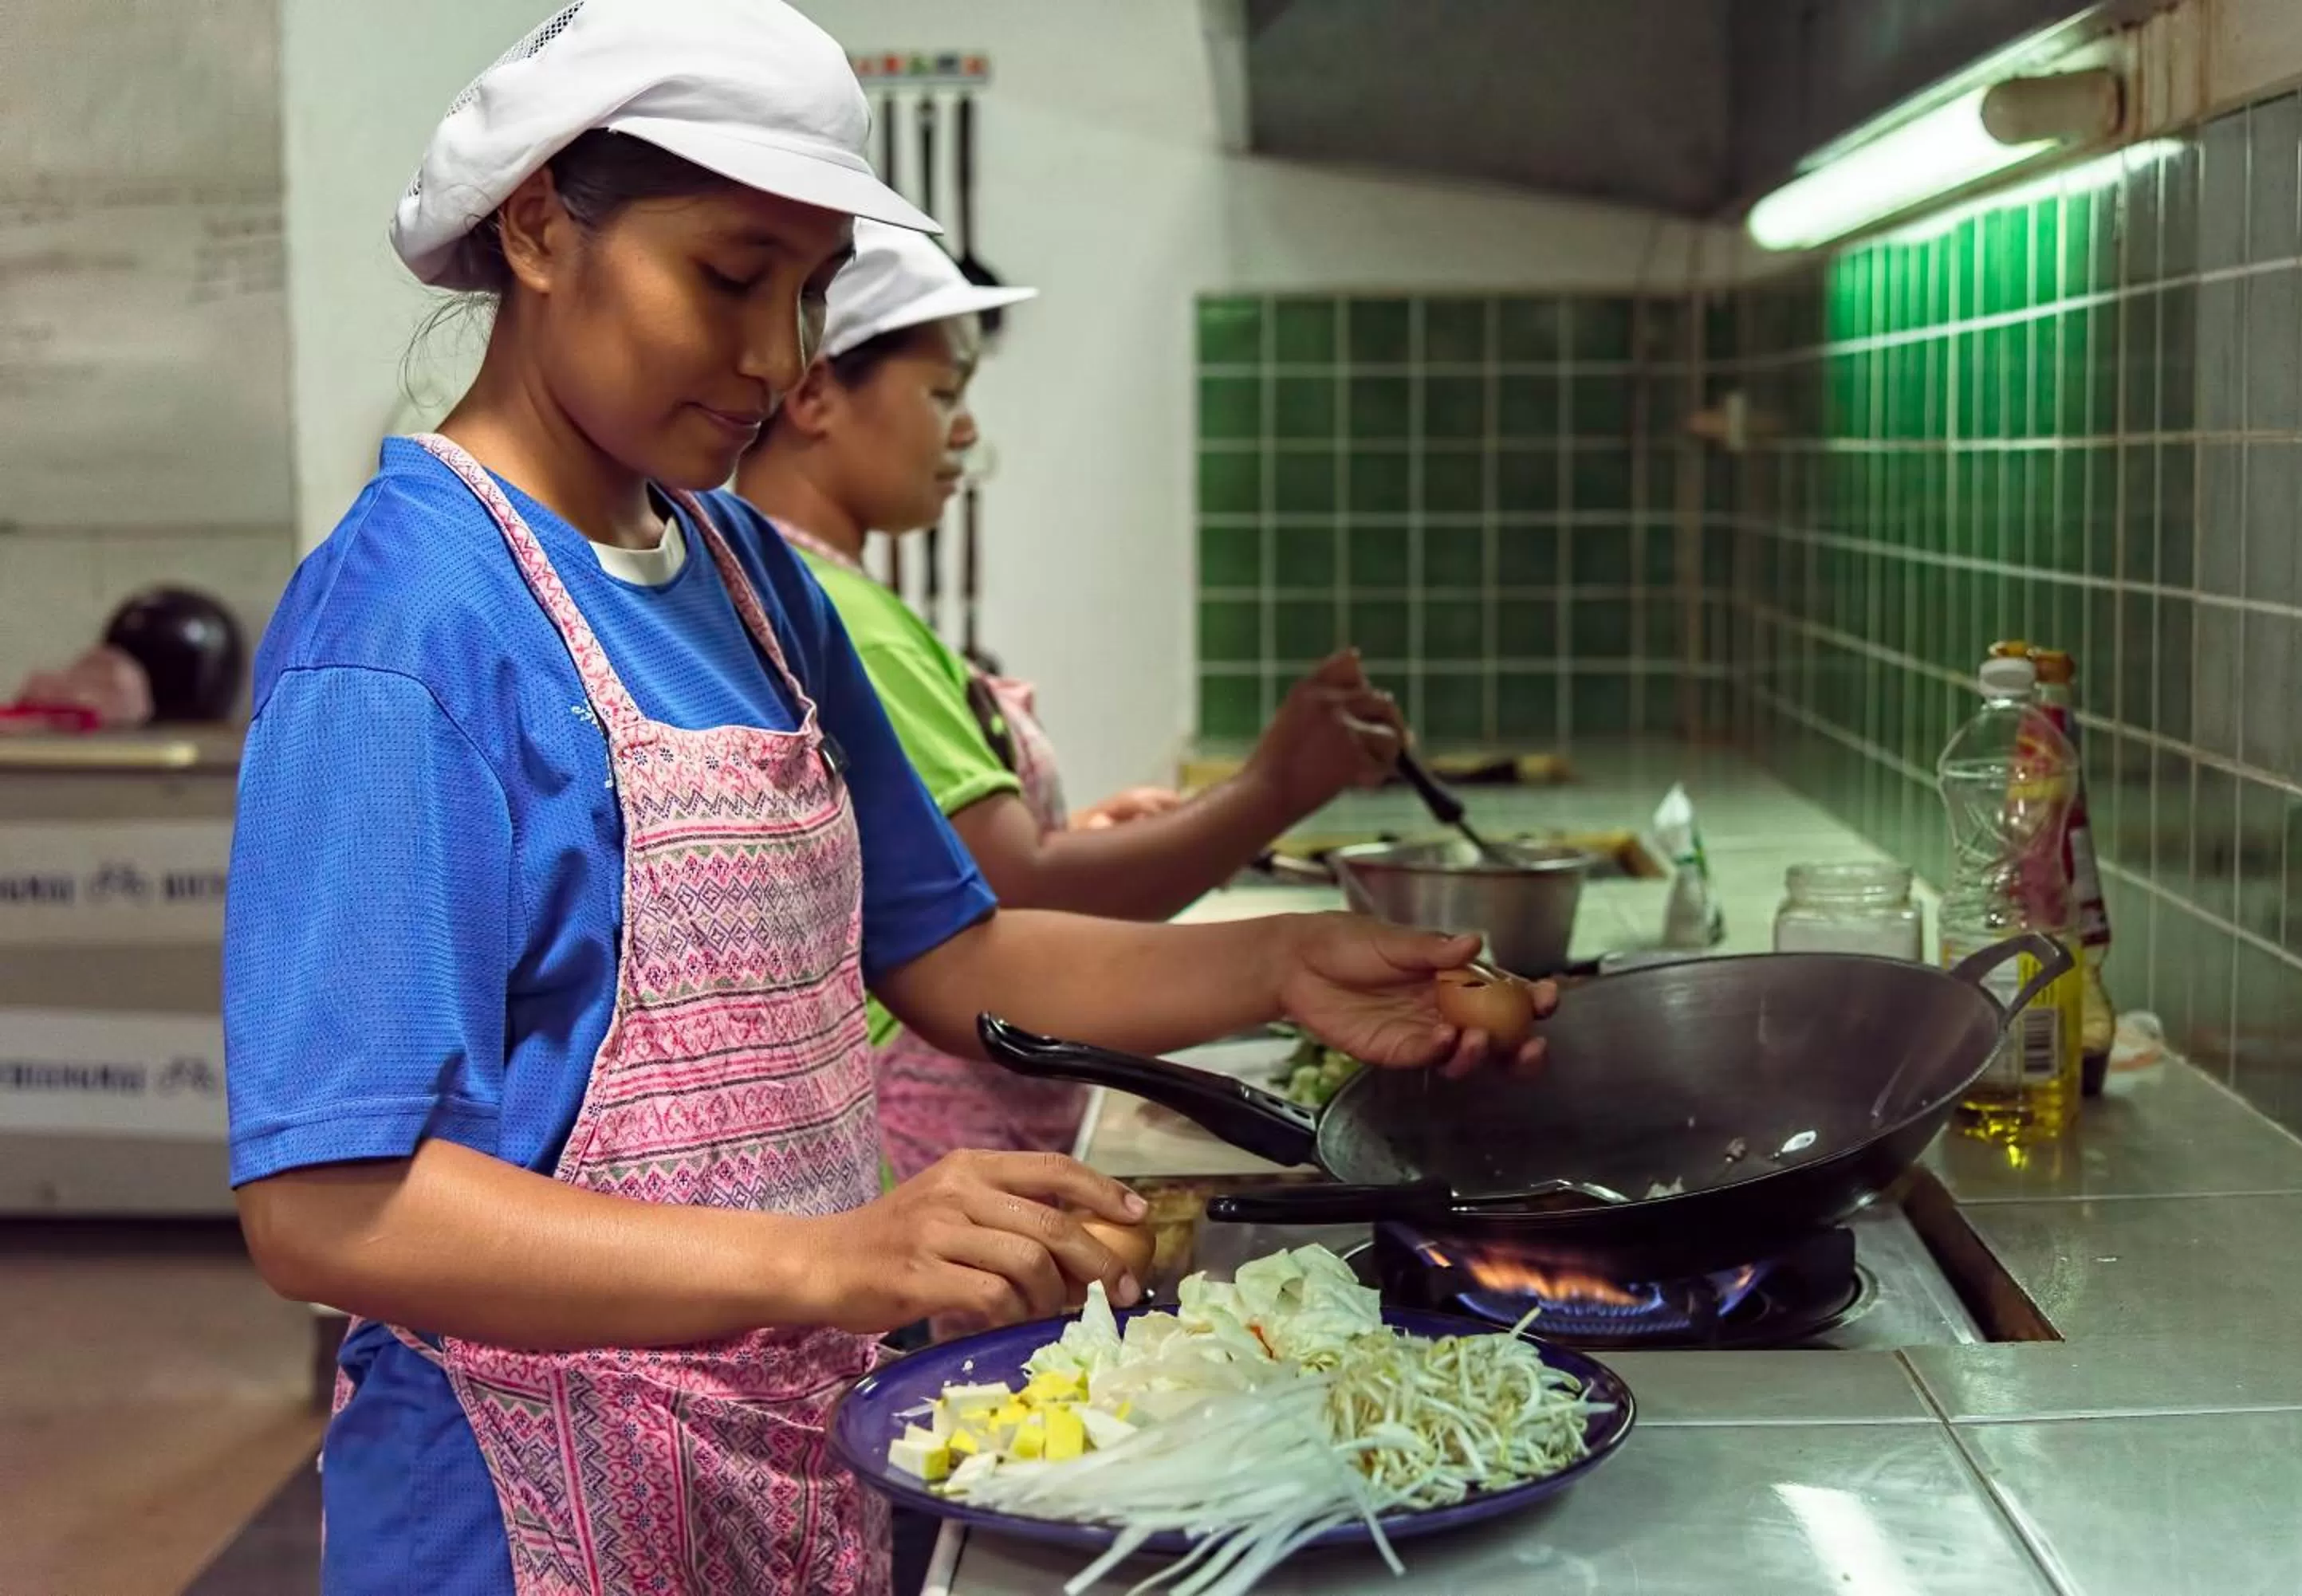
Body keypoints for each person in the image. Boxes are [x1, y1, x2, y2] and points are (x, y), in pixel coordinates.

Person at [219, 5, 1550, 1594]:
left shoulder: (749, 577)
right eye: (728, 277)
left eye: (810, 291)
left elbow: (959, 958)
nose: (776, 360)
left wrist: (1277, 961)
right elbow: (325, 1204)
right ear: (538, 226)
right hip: (518, 1509)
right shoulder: (409, 627)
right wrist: (830, 1254)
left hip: (786, 1450)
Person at [738, 222, 1408, 1180]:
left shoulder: (813, 589)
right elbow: (1013, 897)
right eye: (944, 394)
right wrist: (1272, 789)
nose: (966, 430)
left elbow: (924, 874)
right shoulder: (845, 612)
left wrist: (1088, 832)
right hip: (939, 1123)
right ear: (812, 396)